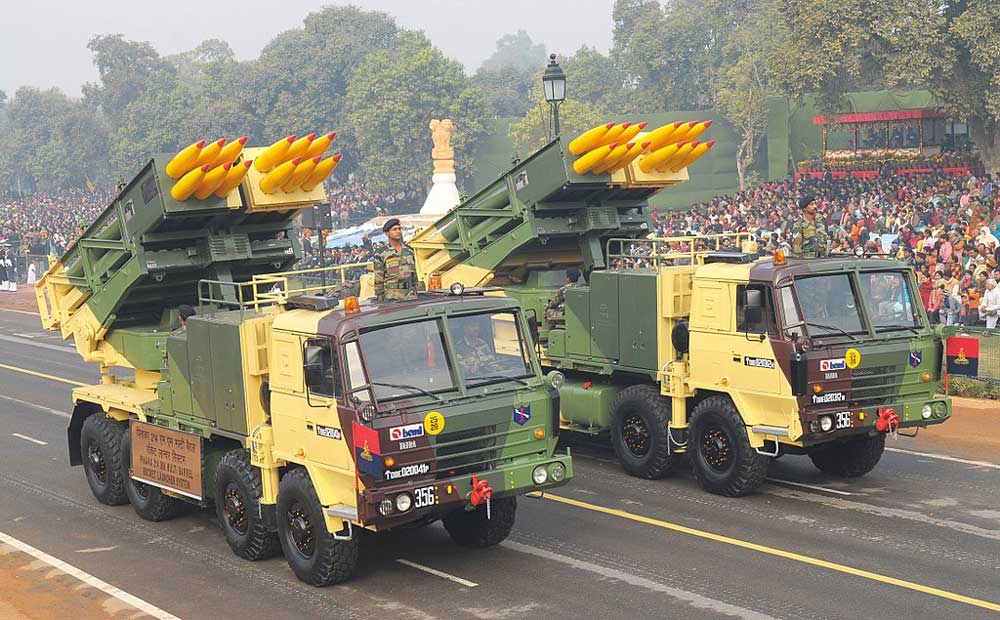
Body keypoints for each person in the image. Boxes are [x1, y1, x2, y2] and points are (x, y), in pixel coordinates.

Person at [371, 218, 417, 302]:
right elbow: (379, 277)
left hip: (410, 295)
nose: (398, 231)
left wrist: (416, 289)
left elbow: (414, 274)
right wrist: (379, 295)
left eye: (399, 229)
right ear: (387, 233)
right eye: (394, 229)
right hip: (392, 296)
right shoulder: (381, 253)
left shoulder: (409, 250)